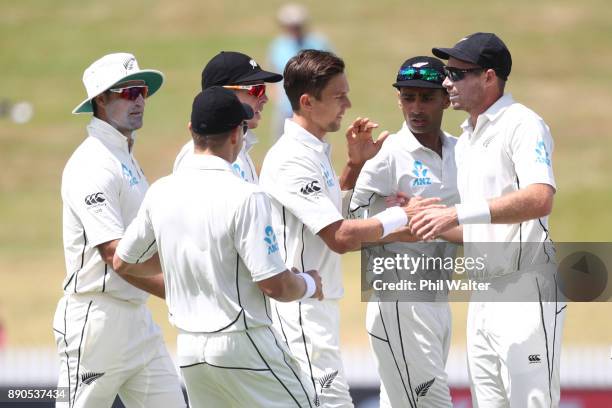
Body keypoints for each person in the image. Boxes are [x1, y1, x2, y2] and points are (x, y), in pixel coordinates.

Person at [113, 86, 323, 407]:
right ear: (238, 134)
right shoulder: (246, 196)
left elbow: (123, 262)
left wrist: (181, 260)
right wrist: (308, 283)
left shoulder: (161, 191)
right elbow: (274, 284)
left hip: (190, 351)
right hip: (243, 341)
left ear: (191, 131)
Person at [259, 49, 437, 407]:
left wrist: (354, 167)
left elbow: (325, 218)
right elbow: (339, 237)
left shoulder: (312, 150)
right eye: (339, 96)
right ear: (308, 102)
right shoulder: (292, 158)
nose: (348, 103)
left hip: (314, 306)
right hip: (301, 309)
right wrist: (403, 217)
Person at [409, 32, 564, 407]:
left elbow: (540, 198)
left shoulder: (522, 123)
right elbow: (482, 224)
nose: (447, 82)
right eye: (447, 72)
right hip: (482, 292)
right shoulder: (466, 137)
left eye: (458, 74)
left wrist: (457, 212)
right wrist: (430, 220)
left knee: (531, 401)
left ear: (489, 77)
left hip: (526, 287)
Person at [53, 53, 185, 408]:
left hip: (136, 317)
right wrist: (184, 292)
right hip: (96, 317)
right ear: (101, 99)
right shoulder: (92, 163)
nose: (140, 100)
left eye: (142, 91)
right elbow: (115, 255)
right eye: (128, 93)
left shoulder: (124, 156)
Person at [349, 56, 460, 407]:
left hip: (438, 298)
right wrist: (398, 217)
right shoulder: (387, 156)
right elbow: (348, 228)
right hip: (398, 300)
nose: (415, 107)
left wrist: (434, 216)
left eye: (426, 98)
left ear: (445, 98)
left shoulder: (462, 152)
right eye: (407, 97)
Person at [174, 51, 282, 184]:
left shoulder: (240, 147)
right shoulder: (196, 157)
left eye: (264, 89)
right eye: (256, 90)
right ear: (224, 94)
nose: (265, 98)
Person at [268, 3, 331, 140]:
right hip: (285, 107)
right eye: (290, 25)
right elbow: (272, 73)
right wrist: (276, 96)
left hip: (312, 108)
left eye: (297, 25)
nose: (294, 29)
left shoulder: (317, 43)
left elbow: (331, 74)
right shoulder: (277, 46)